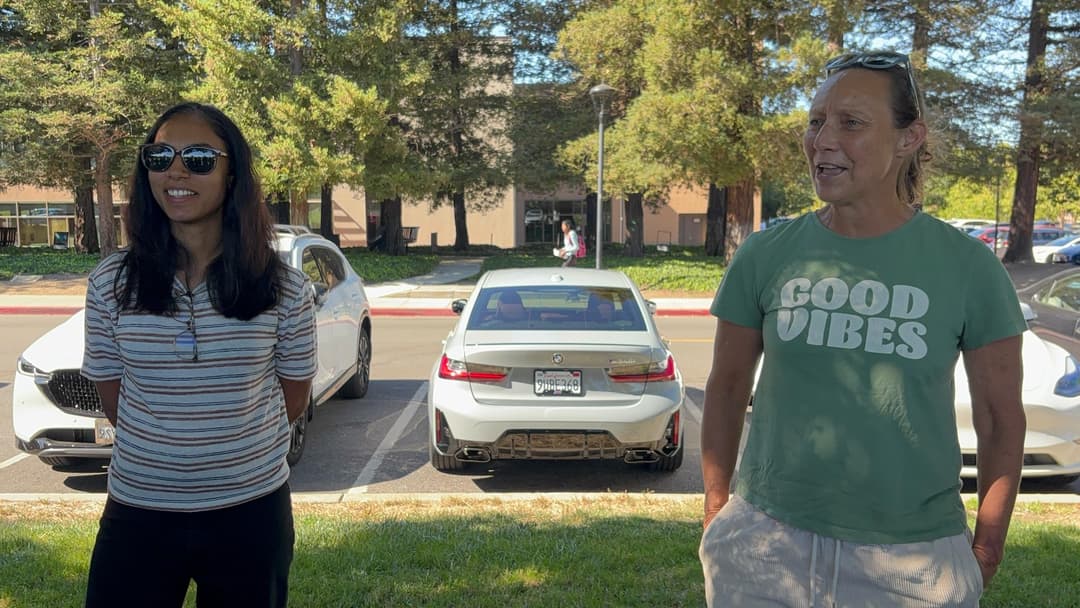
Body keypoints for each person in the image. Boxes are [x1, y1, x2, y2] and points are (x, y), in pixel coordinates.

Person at [699, 51, 1026, 607]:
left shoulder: (968, 267)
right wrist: (717, 513)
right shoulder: (764, 254)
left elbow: (999, 418)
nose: (822, 139)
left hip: (912, 563)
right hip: (764, 548)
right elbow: (726, 390)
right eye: (816, 121)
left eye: (850, 122)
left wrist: (987, 548)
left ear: (909, 139)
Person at [82, 102, 317, 608]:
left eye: (198, 157)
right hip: (139, 511)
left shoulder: (286, 289)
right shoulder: (110, 283)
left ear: (233, 174)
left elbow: (293, 396)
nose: (176, 171)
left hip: (251, 513)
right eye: (160, 156)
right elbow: (112, 396)